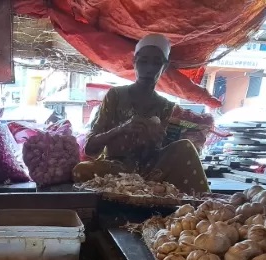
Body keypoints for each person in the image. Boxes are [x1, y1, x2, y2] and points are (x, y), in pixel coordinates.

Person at [73, 34, 209, 194]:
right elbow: (90, 148)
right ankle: (143, 190)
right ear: (134, 62)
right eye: (143, 61)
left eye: (157, 63)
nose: (149, 69)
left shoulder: (166, 106)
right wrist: (123, 128)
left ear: (164, 67)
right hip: (115, 169)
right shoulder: (115, 95)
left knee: (185, 147)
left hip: (151, 171)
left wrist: (156, 139)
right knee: (81, 170)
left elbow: (157, 153)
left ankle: (204, 205)